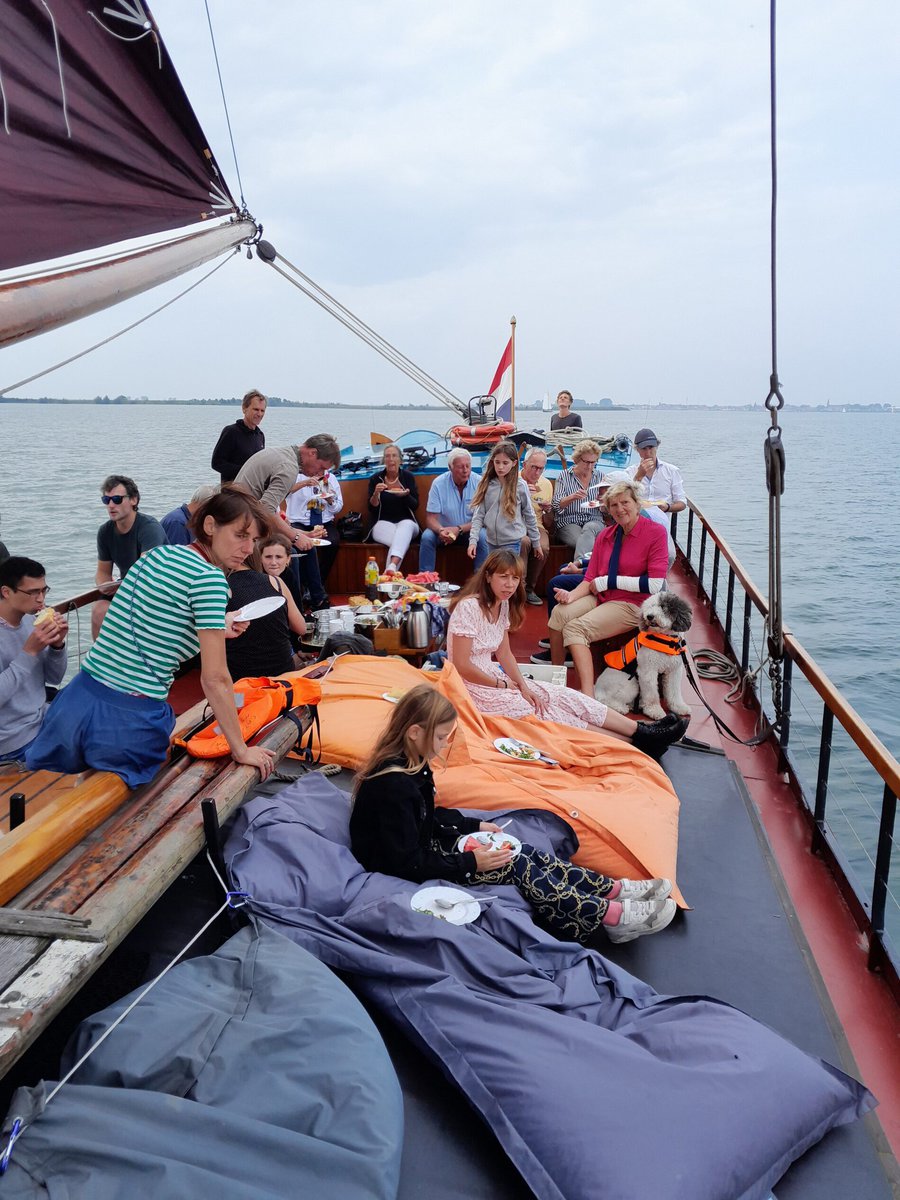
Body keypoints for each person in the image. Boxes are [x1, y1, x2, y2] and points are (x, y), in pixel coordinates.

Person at [350, 685, 677, 944]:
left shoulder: (412, 766)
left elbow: (424, 818)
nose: (444, 744)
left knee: (521, 849)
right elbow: (404, 862)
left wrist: (472, 825)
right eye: (439, 737)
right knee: (514, 864)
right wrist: (471, 863)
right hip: (402, 866)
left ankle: (611, 889)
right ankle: (610, 917)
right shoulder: (393, 787)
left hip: (419, 849)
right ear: (414, 733)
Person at [26, 488, 276, 787]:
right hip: (127, 720)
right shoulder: (210, 579)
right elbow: (215, 678)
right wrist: (241, 749)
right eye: (240, 535)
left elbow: (153, 618)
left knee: (71, 790)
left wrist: (220, 623)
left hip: (79, 700)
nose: (248, 548)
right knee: (124, 801)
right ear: (210, 526)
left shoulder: (158, 554)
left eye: (254, 540)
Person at [447, 550, 687, 758]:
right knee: (544, 711)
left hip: (494, 678)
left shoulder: (502, 604)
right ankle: (635, 743)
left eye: (515, 578)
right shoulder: (469, 607)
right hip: (471, 688)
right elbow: (461, 665)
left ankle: (641, 730)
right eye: (503, 577)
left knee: (561, 695)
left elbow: (505, 654)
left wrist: (523, 686)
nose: (510, 584)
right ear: (488, 576)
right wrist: (502, 685)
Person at [549, 479, 669, 697]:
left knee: (575, 629)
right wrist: (571, 595)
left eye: (625, 502)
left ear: (637, 504)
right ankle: (557, 682)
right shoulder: (606, 535)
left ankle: (588, 695)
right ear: (608, 509)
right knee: (559, 613)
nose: (620, 509)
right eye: (614, 505)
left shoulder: (655, 533)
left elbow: (654, 584)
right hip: (604, 596)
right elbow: (590, 578)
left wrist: (607, 582)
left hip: (632, 603)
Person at [235, 434, 341, 596]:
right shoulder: (288, 468)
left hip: (240, 518)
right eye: (321, 467)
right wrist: (296, 537)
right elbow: (265, 508)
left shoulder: (282, 453)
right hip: (243, 529)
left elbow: (266, 507)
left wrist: (300, 534)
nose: (320, 473)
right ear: (312, 453)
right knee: (290, 555)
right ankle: (295, 605)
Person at [0, 556, 68, 765]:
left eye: (44, 590)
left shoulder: (32, 621)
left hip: (43, 720)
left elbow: (54, 678)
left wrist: (57, 646)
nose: (41, 599)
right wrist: (29, 652)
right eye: (33, 592)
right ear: (6, 592)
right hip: (13, 740)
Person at [92, 474, 167, 639]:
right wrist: (104, 585)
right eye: (106, 500)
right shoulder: (105, 531)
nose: (111, 505)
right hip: (128, 588)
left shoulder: (149, 528)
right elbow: (103, 571)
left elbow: (145, 573)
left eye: (117, 499)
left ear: (134, 500)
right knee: (99, 611)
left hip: (156, 589)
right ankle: (101, 654)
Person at [225, 545, 307, 679]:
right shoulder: (276, 582)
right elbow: (301, 628)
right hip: (283, 672)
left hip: (240, 677)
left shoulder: (220, 589)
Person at [467, 440, 543, 561]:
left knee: (507, 571)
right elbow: (478, 515)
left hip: (512, 542)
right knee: (494, 572)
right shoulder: (486, 484)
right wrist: (473, 541)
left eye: (505, 463)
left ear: (514, 463)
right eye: (497, 462)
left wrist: (536, 543)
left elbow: (529, 515)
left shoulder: (520, 486)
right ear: (493, 462)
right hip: (491, 542)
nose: (500, 467)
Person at [418, 448, 487, 573]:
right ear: (450, 467)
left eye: (468, 466)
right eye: (460, 467)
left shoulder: (479, 483)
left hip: (470, 530)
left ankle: (481, 580)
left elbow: (483, 519)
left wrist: (459, 529)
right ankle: (426, 579)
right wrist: (441, 530)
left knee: (482, 536)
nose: (465, 470)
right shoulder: (438, 484)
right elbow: (430, 518)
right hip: (444, 531)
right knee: (427, 537)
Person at [285, 468, 343, 583]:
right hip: (298, 522)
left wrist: (330, 500)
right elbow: (284, 493)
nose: (320, 471)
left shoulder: (330, 478)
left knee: (333, 543)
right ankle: (305, 584)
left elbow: (338, 508)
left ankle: (319, 582)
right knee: (303, 545)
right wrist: (304, 483)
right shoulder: (296, 476)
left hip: (324, 522)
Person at [550, 440, 606, 560]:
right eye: (586, 462)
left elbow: (607, 509)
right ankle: (585, 567)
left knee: (590, 528)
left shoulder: (601, 477)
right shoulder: (564, 476)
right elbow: (556, 505)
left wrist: (603, 502)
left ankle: (578, 566)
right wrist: (573, 497)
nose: (589, 466)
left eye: (593, 462)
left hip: (594, 520)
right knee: (581, 542)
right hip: (569, 521)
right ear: (577, 459)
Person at [367, 443, 420, 570]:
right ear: (384, 460)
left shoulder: (408, 477)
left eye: (394, 456)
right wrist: (376, 493)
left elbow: (415, 505)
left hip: (407, 523)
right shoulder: (376, 479)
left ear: (400, 460)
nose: (391, 459)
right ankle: (391, 570)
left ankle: (390, 570)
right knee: (400, 542)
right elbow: (372, 509)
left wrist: (405, 495)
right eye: (387, 456)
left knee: (405, 527)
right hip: (382, 523)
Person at [625, 428, 686, 528]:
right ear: (637, 450)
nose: (648, 452)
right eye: (644, 449)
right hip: (636, 524)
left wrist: (668, 507)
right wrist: (639, 476)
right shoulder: (630, 472)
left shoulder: (671, 471)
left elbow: (682, 503)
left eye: (651, 447)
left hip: (661, 525)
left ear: (656, 447)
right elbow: (624, 498)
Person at [519, 447, 553, 604]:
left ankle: (529, 589)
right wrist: (523, 492)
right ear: (524, 464)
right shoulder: (513, 480)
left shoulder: (546, 484)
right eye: (534, 467)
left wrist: (547, 510)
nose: (537, 472)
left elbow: (548, 522)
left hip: (537, 524)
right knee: (524, 542)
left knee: (543, 547)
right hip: (516, 523)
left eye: (541, 468)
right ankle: (519, 590)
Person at [210, 389, 267, 483]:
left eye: (262, 410)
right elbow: (217, 463)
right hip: (232, 489)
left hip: (253, 489)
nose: (259, 414)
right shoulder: (231, 432)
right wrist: (246, 471)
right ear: (244, 408)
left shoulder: (260, 435)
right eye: (256, 409)